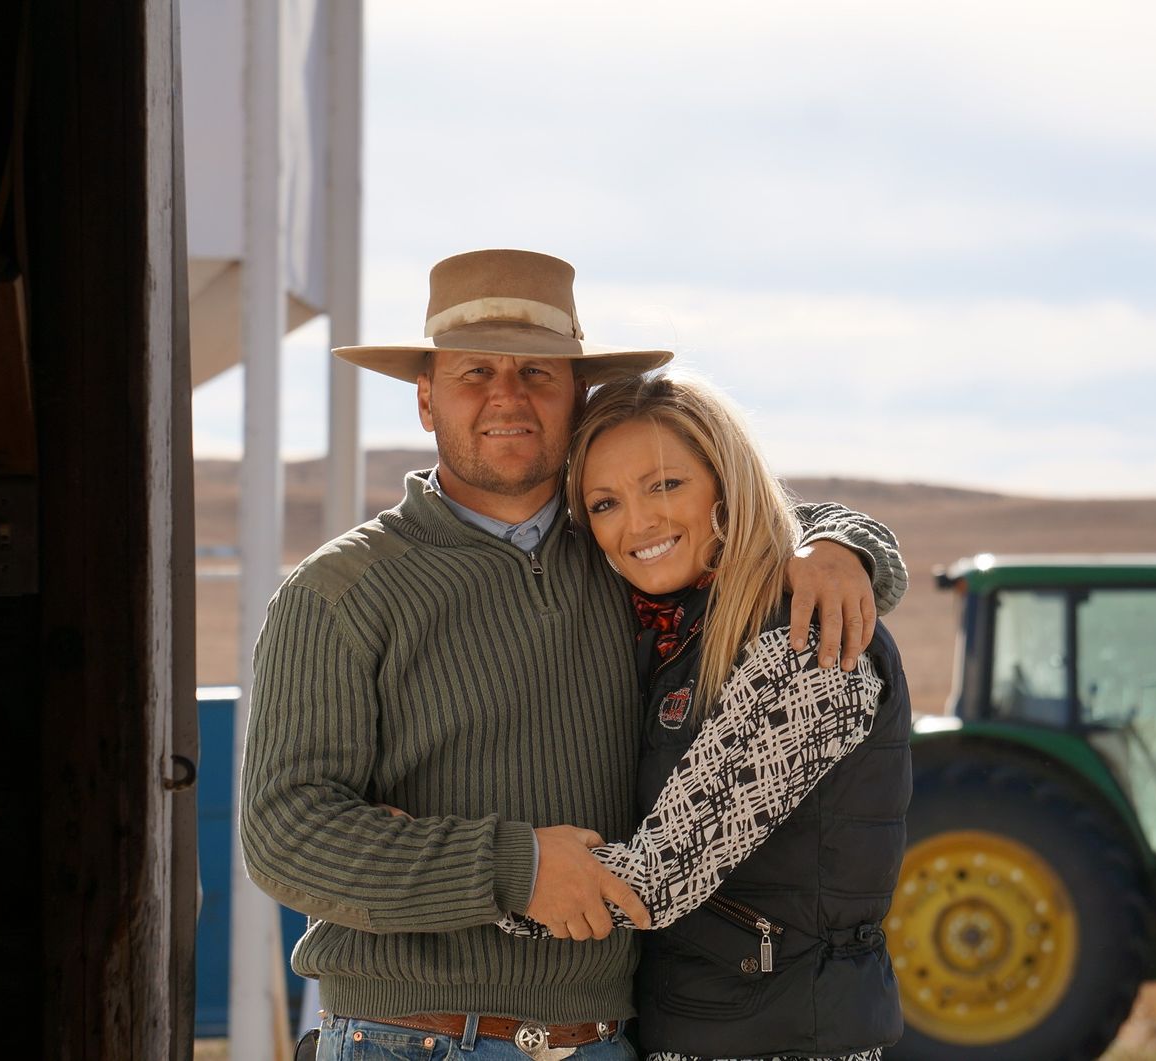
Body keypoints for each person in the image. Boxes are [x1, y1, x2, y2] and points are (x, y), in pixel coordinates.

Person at [240, 249, 907, 1061]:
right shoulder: (341, 591)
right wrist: (511, 867)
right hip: (412, 1039)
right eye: (474, 372)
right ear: (425, 398)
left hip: (606, 1040)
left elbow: (731, 518)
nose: (507, 396)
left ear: (578, 394)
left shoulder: (621, 559)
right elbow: (285, 834)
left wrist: (840, 543)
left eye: (537, 372)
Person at [499, 373, 910, 1061]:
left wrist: (464, 870)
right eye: (605, 503)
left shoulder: (809, 638)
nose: (638, 523)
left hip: (782, 1040)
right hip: (699, 1025)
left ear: (727, 482)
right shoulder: (667, 633)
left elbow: (662, 876)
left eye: (665, 485)